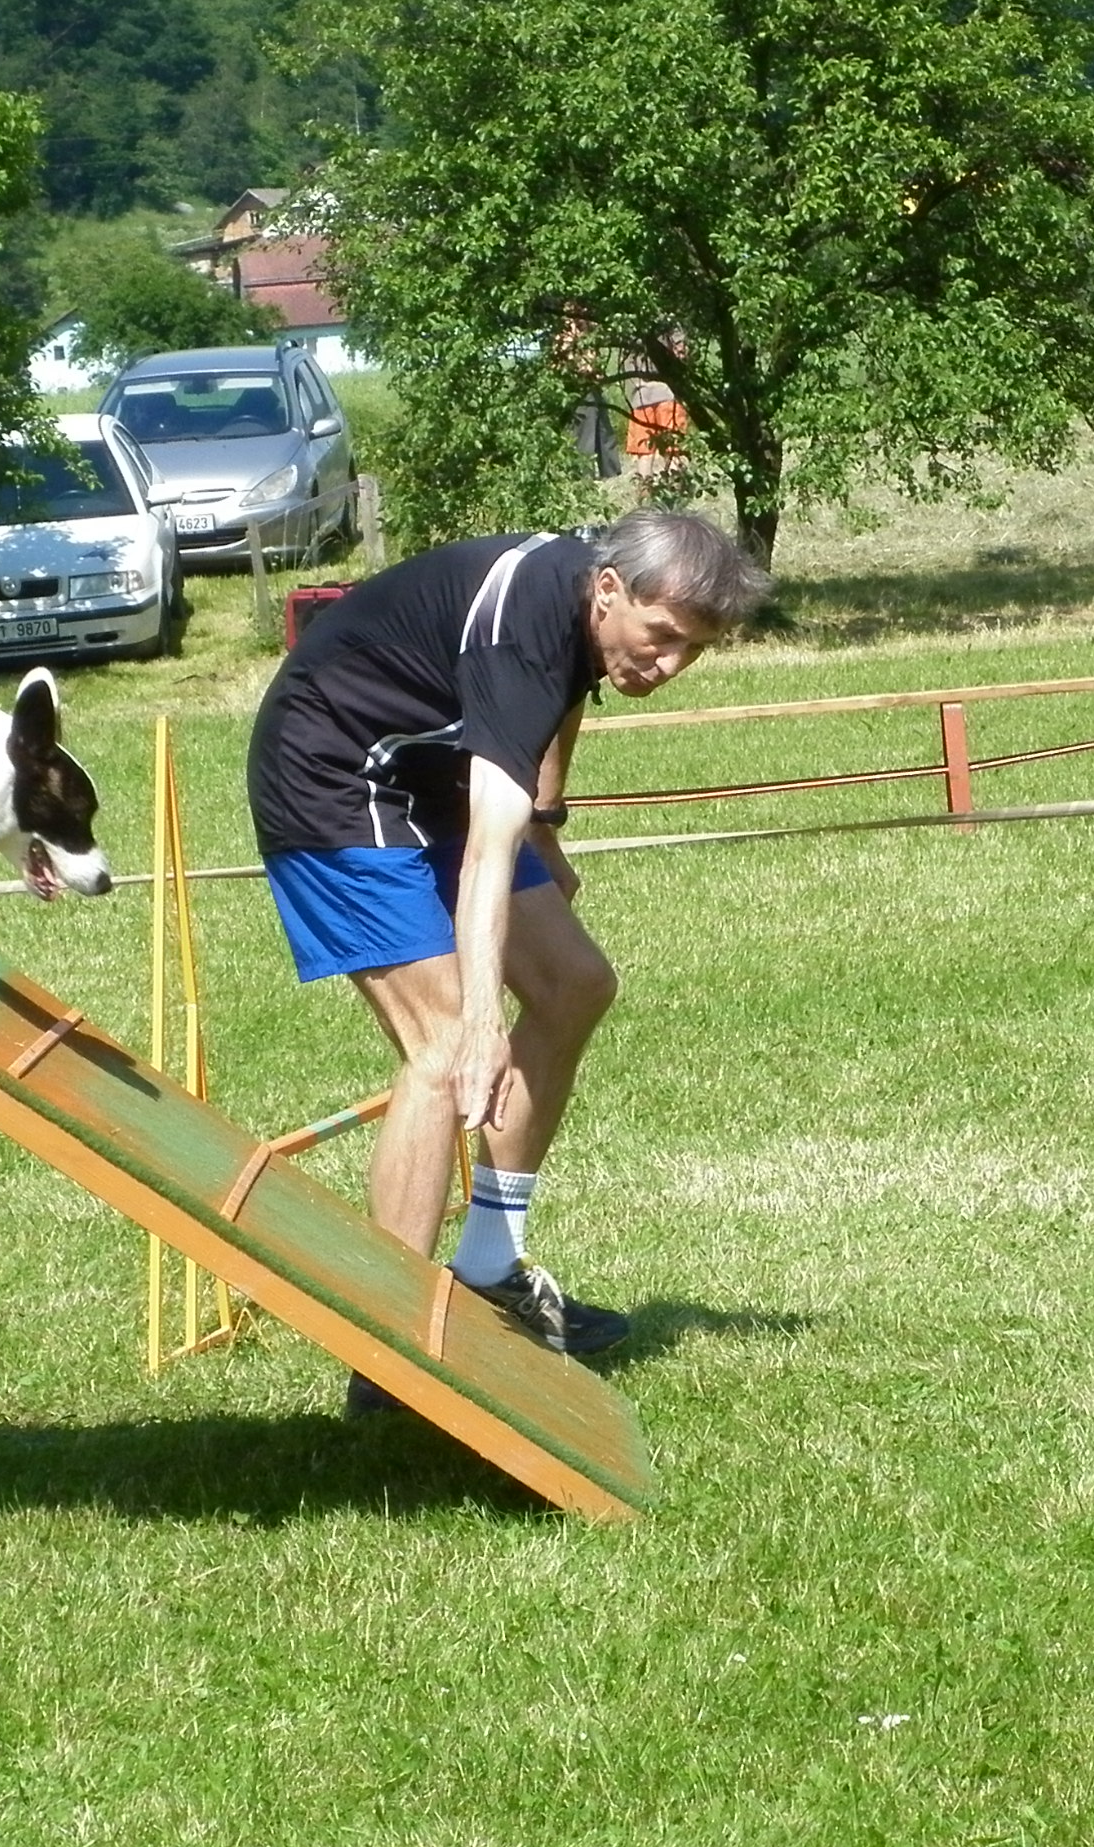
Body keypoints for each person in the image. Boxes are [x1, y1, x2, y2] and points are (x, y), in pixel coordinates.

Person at [248, 510, 769, 1385]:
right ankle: (390, 1339)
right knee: (445, 1046)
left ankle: (489, 1266)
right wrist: (485, 1017)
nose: (669, 666)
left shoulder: (586, 608)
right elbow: (490, 846)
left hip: (430, 769)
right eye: (664, 637)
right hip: (334, 773)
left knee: (574, 984)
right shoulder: (520, 620)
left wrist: (552, 827)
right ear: (610, 590)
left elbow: (564, 700)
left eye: (695, 652)